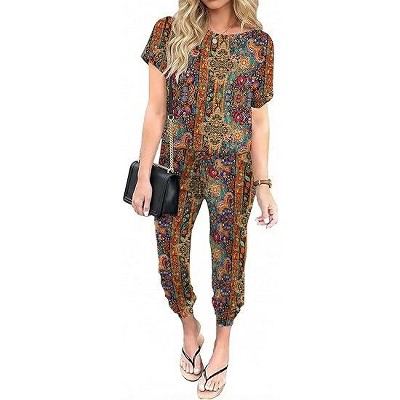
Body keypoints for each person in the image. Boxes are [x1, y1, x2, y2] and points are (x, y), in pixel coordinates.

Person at [132, 0, 278, 398]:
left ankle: (223, 344)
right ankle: (189, 327)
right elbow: (156, 111)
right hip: (177, 165)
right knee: (170, 252)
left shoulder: (259, 44)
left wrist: (263, 183)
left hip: (233, 168)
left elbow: (259, 120)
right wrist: (143, 175)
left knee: (228, 256)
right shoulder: (168, 32)